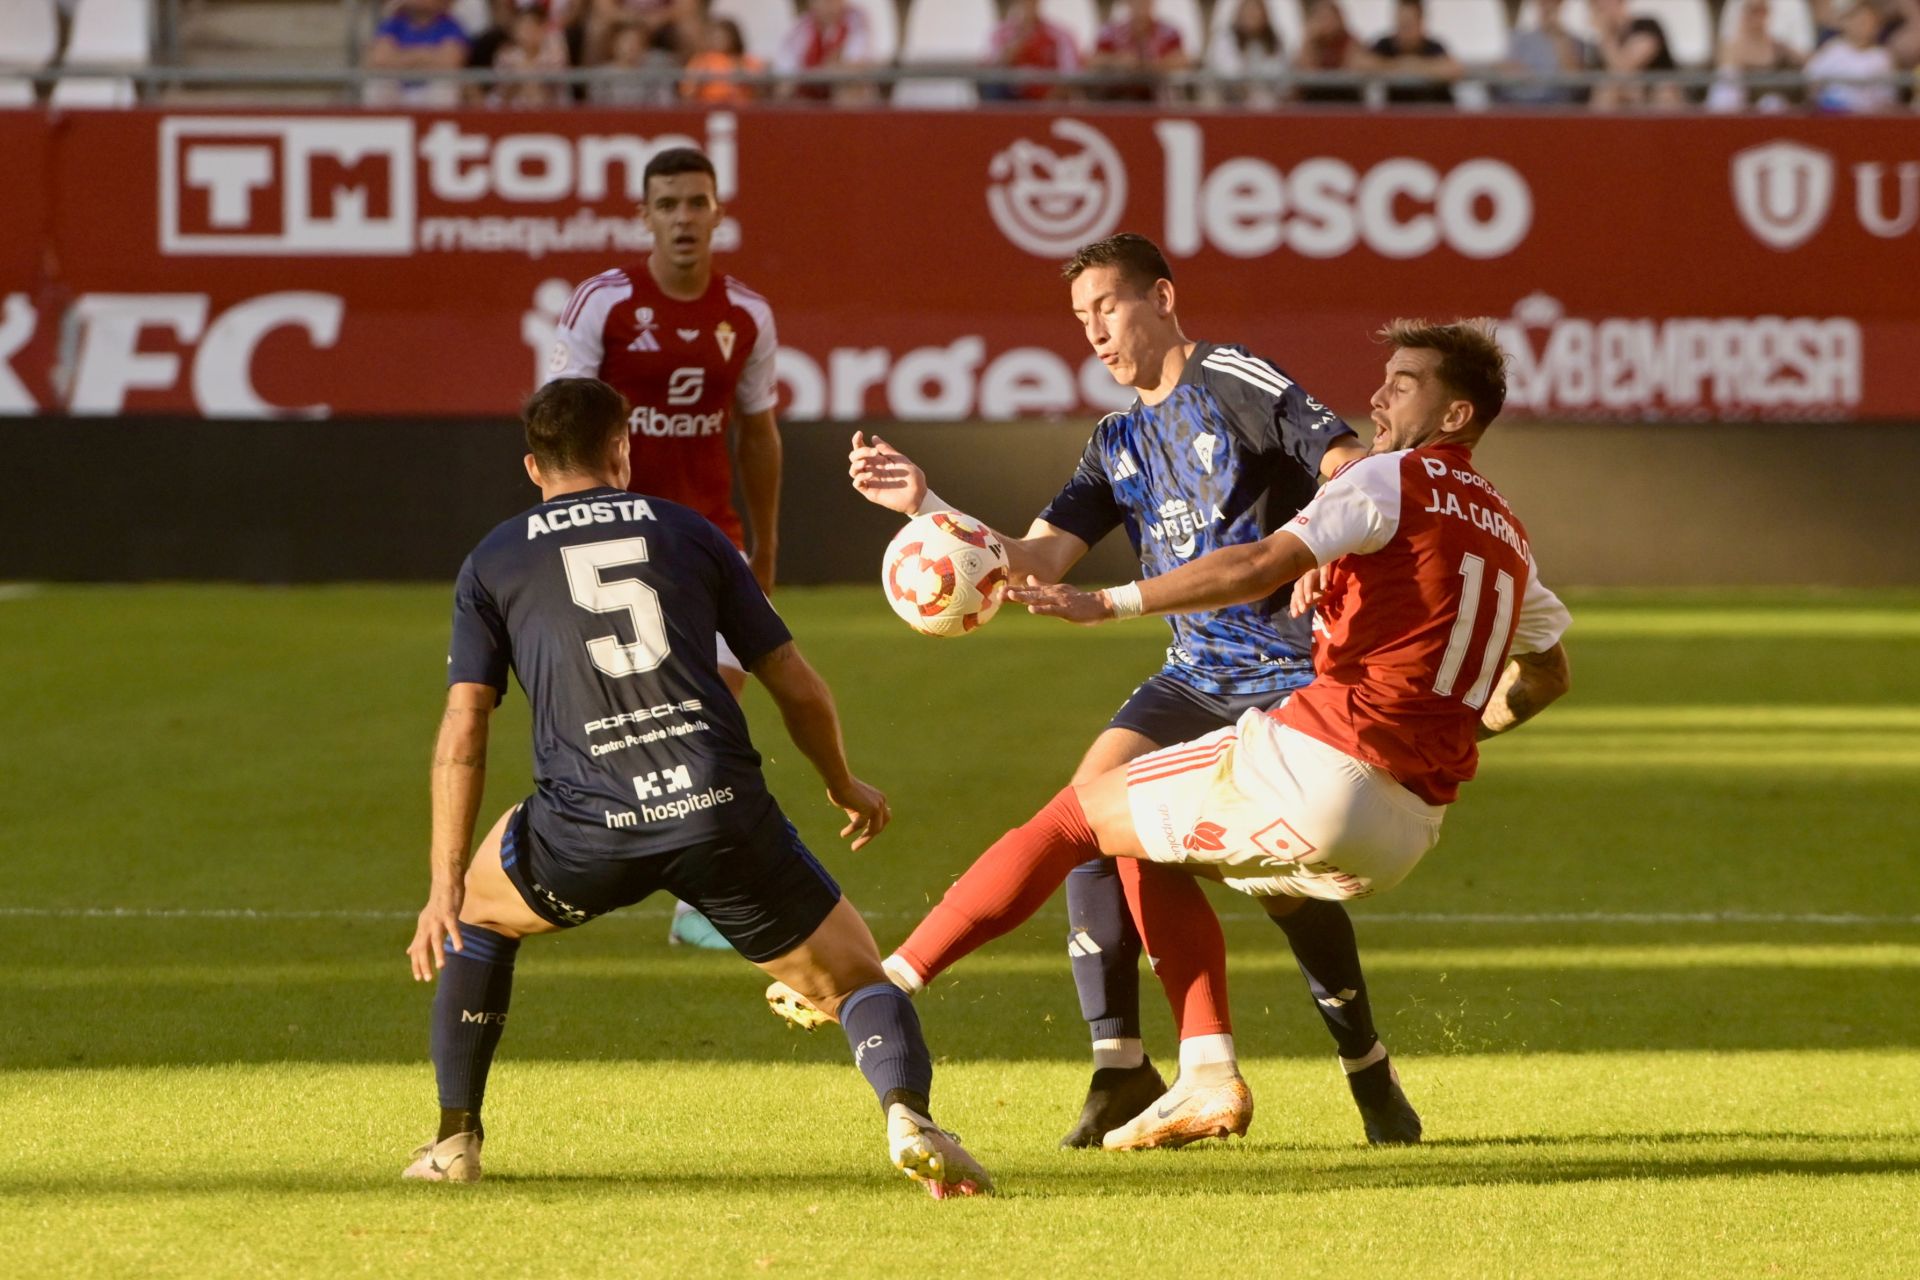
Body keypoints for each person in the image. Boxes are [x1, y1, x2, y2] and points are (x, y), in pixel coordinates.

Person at [856, 320, 1572, 1153]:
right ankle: (1183, 1069)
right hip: (1407, 827)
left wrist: (1113, 601)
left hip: (1318, 756)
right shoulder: (1510, 535)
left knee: (1074, 818)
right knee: (1139, 832)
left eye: (1405, 382)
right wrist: (1449, 729)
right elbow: (1550, 673)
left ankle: (884, 983)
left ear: (1455, 416)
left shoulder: (1370, 467)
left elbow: (1260, 563)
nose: (1378, 394)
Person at [774, 233, 1417, 1154]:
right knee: (1090, 817)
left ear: (1161, 296)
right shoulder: (1116, 442)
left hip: (1288, 674)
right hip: (1193, 672)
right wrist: (928, 508)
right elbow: (1034, 560)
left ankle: (1365, 1067)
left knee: (1279, 889)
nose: (1096, 333)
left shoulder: (1234, 376)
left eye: (1107, 308)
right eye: (1081, 319)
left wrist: (1327, 548)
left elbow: (1350, 460)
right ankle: (1124, 1065)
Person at [401, 377, 990, 1198]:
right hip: (717, 811)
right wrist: (843, 782)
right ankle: (908, 1115)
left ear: (534, 468)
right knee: (857, 981)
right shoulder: (692, 532)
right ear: (622, 449)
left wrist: (439, 885)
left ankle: (454, 1141)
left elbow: (465, 730)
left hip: (585, 828)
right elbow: (792, 681)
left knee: (474, 908)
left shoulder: (494, 559)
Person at [545, 146, 784, 949]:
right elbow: (561, 419)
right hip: (616, 542)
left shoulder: (746, 313)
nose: (684, 217)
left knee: (714, 707)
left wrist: (769, 543)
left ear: (719, 214)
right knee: (640, 724)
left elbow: (757, 430)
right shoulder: (603, 305)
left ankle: (695, 895)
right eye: (668, 204)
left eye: (697, 203)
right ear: (644, 216)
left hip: (712, 538)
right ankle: (628, 856)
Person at [364, 0, 469, 107]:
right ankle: (382, 123)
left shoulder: (450, 25)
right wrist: (426, 55)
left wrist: (401, 56)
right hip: (400, 89)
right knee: (381, 81)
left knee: (445, 83)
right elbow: (380, 59)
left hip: (429, 91)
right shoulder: (394, 23)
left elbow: (450, 63)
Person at [1707, 0, 1802, 113]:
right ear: (1744, 14)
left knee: (1772, 102)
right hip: (1740, 107)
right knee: (1726, 84)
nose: (1758, 17)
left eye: (1762, 11)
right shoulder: (1730, 47)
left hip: (1768, 106)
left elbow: (1806, 62)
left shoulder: (1778, 47)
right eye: (1754, 11)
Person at [1590, 0, 1687, 110]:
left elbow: (1623, 68)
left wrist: (1605, 35)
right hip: (1628, 100)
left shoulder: (1647, 26)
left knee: (1664, 91)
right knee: (1606, 89)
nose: (1599, 8)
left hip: (1656, 96)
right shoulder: (1600, 45)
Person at [1805, 0, 1900, 110]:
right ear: (1846, 23)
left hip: (1869, 116)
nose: (1862, 26)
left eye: (1867, 21)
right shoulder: (1833, 49)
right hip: (1833, 113)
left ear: (1877, 26)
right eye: (1857, 20)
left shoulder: (1882, 57)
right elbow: (1811, 80)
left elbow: (1888, 96)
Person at [775, 0, 877, 103]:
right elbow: (785, 80)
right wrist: (828, 69)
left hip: (842, 101)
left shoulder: (856, 19)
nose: (830, 4)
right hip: (809, 101)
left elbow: (854, 66)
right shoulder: (800, 28)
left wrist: (812, 74)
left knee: (850, 86)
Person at [1090, 0, 1192, 103]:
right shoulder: (1110, 31)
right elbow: (1091, 60)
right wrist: (1116, 61)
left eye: (1145, 2)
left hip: (1160, 99)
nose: (1141, 6)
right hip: (1119, 99)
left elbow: (1183, 59)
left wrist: (1152, 65)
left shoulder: (1169, 31)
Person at [983, 0, 1083, 102]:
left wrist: (1047, 104)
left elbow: (1070, 74)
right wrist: (1021, 37)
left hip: (1047, 102)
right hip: (1011, 100)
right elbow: (992, 69)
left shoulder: (1060, 35)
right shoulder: (1000, 33)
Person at [1502, 0, 1594, 106]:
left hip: (1557, 108)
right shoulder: (1520, 38)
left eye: (1551, 2)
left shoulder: (1575, 42)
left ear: (1560, 4)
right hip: (1519, 105)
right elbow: (1508, 73)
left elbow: (1574, 82)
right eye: (1542, 2)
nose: (1546, 5)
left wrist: (1557, 34)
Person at [1368, 0, 1460, 105]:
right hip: (1397, 113)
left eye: (1408, 24)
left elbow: (1454, 69)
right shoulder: (1386, 45)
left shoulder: (1434, 47)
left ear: (1420, 22)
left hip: (1432, 111)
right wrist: (1398, 65)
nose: (1403, 30)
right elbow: (1360, 62)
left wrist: (1416, 66)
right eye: (1400, 24)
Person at [1206, 0, 1288, 108]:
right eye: (1248, 11)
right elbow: (1227, 72)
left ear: (1265, 14)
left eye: (1256, 11)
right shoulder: (1225, 38)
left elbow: (1280, 75)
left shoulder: (1274, 42)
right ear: (1239, 14)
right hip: (1229, 101)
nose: (1252, 15)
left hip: (1268, 104)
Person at [488, 6, 572, 107]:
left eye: (531, 27)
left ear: (542, 29)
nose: (526, 33)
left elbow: (556, 88)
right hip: (512, 114)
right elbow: (500, 93)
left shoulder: (555, 56)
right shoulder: (506, 57)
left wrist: (526, 71)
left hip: (551, 113)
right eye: (522, 28)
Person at [1294, 0, 1370, 104]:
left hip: (1345, 100)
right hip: (1315, 100)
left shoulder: (1350, 41)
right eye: (1322, 18)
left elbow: (1351, 68)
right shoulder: (1313, 41)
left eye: (1331, 17)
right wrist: (1309, 39)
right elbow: (1306, 71)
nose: (1327, 22)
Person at [682, 17, 766, 104]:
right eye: (715, 36)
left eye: (722, 36)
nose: (717, 40)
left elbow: (762, 89)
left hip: (742, 109)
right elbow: (687, 92)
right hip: (708, 108)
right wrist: (699, 79)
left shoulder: (747, 61)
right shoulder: (702, 60)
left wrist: (744, 76)